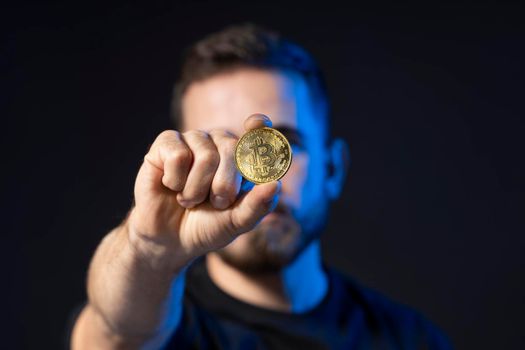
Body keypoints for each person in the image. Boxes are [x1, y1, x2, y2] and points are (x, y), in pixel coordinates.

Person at [69, 23, 453, 349]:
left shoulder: (410, 339)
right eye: (219, 147)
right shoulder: (157, 319)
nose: (251, 176)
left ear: (333, 168)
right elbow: (114, 332)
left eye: (285, 143)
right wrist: (150, 248)